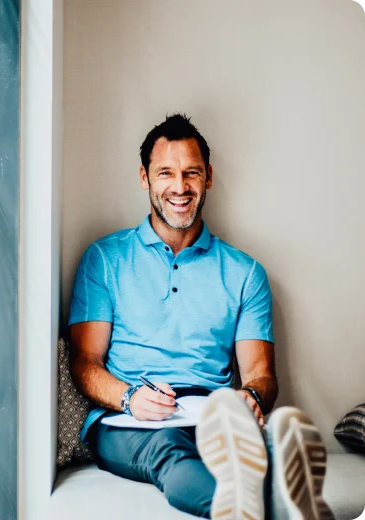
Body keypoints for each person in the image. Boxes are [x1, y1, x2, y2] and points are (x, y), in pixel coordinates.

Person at [68, 114, 334, 519]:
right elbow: (85, 364)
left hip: (214, 415)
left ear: (208, 177)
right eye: (165, 174)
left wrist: (253, 397)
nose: (180, 187)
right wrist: (128, 398)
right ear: (145, 177)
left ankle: (273, 475)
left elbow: (260, 374)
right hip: (130, 420)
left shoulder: (245, 273)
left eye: (191, 173)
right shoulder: (104, 259)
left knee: (258, 447)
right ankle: (251, 507)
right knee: (167, 452)